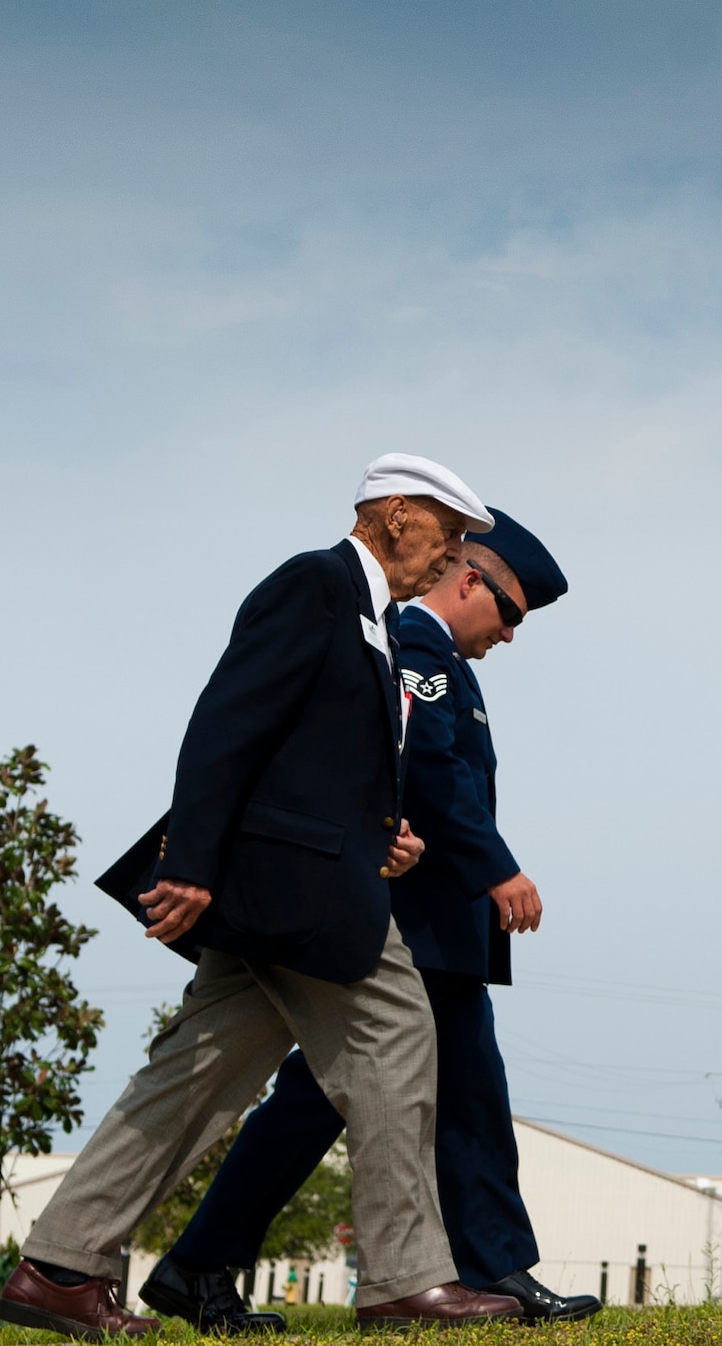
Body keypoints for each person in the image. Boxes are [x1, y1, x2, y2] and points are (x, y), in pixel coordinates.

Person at [0, 455, 524, 1338]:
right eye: (450, 531)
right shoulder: (313, 583)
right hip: (294, 891)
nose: (456, 554)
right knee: (399, 1036)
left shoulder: (378, 621)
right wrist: (191, 862)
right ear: (396, 515)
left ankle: (59, 1268)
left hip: (303, 883)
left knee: (195, 1076)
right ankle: (406, 1280)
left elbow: (316, 757)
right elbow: (227, 721)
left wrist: (381, 830)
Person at [146, 509, 599, 1326]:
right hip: (413, 924)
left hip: (419, 926)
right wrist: (498, 868)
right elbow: (429, 768)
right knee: (463, 1096)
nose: (510, 634)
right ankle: (495, 1268)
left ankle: (199, 1261)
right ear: (471, 581)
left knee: (318, 1104)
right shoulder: (416, 645)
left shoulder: (439, 658)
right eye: (511, 614)